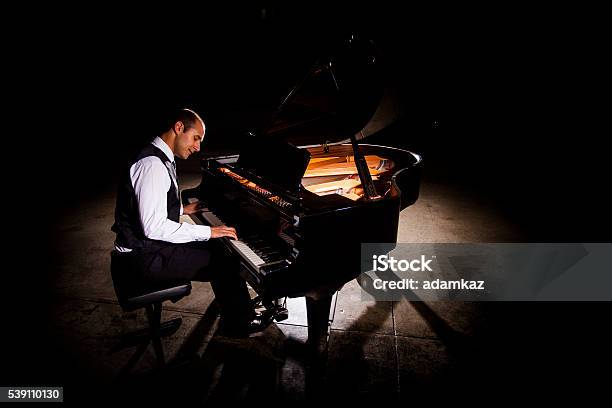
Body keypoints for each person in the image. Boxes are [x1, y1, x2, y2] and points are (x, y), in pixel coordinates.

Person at [110, 108, 266, 336]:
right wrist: (208, 231)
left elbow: (147, 206)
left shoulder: (157, 156)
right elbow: (154, 227)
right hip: (141, 260)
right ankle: (239, 323)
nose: (198, 147)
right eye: (196, 138)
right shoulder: (153, 165)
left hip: (143, 252)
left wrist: (183, 209)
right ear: (179, 127)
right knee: (226, 260)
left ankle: (234, 310)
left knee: (221, 249)